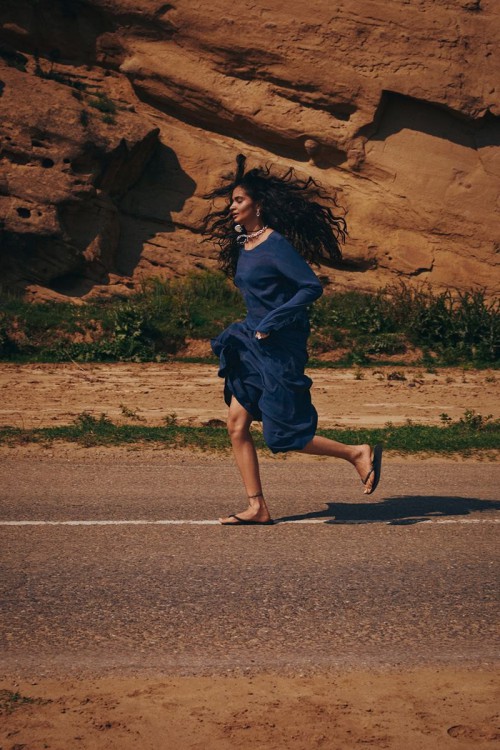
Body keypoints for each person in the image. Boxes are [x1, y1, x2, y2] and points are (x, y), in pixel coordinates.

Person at [202, 154, 382, 525]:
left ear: (258, 205)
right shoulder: (244, 243)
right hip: (250, 342)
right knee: (236, 425)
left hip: (279, 347)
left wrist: (273, 320)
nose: (231, 206)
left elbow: (310, 287)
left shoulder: (276, 244)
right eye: (232, 200)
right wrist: (259, 323)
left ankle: (355, 452)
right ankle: (257, 507)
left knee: (282, 435)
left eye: (239, 200)